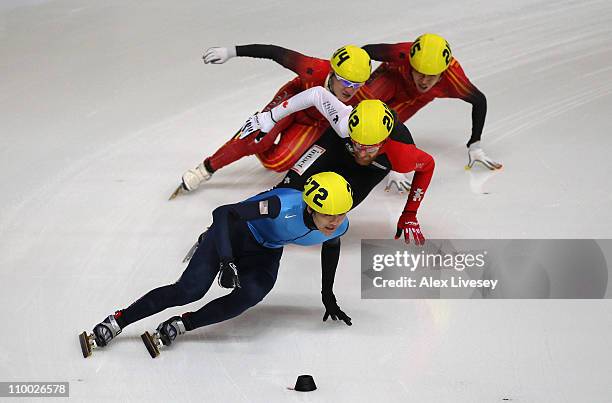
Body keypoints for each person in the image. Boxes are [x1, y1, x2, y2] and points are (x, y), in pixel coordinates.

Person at [83, 172, 354, 357]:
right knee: (190, 290)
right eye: (328, 214)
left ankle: (182, 325)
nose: (334, 222)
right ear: (309, 207)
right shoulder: (278, 206)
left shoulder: (339, 227)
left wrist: (327, 294)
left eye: (341, 215)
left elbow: (331, 246)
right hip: (234, 232)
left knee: (251, 294)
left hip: (265, 250)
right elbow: (224, 212)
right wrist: (226, 260)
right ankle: (119, 320)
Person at [240, 89, 435, 245]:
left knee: (335, 207)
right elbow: (316, 94)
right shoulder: (344, 122)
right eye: (358, 143)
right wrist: (270, 117)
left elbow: (427, 166)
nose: (362, 152)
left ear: (384, 142)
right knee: (288, 189)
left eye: (370, 148)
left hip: (371, 169)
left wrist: (410, 212)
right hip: (336, 145)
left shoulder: (402, 154)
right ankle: (238, 217)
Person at [177, 44, 371, 195]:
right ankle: (205, 168)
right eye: (345, 81)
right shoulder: (313, 68)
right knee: (256, 138)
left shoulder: (364, 96)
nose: (350, 89)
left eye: (357, 84)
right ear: (331, 72)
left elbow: (386, 123)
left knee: (276, 163)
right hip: (291, 100)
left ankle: (254, 141)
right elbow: (274, 52)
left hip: (313, 123)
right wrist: (231, 51)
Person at [358, 33, 502, 170]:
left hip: (413, 99)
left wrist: (474, 145)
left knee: (382, 128)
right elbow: (364, 52)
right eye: (420, 73)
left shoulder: (453, 78)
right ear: (411, 64)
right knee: (358, 108)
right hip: (392, 77)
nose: (424, 81)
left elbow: (480, 101)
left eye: (431, 76)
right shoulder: (403, 52)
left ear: (442, 74)